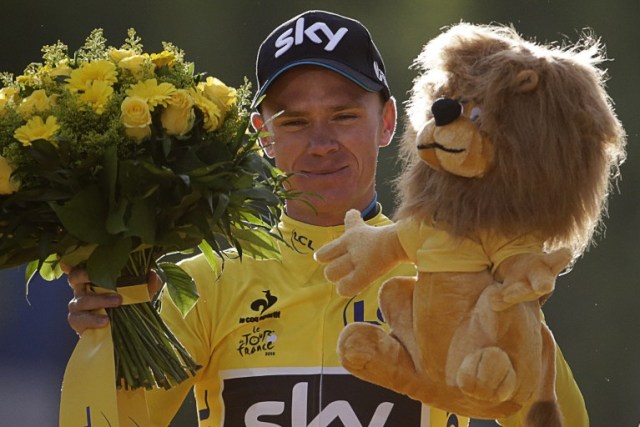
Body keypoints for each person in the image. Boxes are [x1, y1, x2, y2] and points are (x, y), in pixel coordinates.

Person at [66, 10, 588, 426]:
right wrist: (110, 329)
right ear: (262, 134)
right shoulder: (205, 284)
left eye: (343, 115)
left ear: (387, 120)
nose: (320, 145)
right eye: (294, 122)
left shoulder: (457, 270)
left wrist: (516, 298)